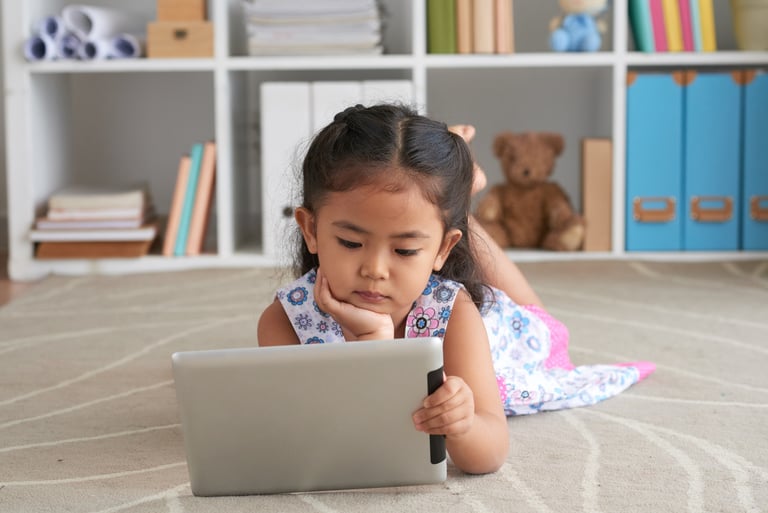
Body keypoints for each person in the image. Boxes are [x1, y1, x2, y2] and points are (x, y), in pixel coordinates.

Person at [258, 104, 654, 475]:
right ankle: (455, 200)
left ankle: (460, 204)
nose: (374, 270)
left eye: (405, 250)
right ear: (310, 229)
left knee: (546, 326)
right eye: (350, 243)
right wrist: (373, 339)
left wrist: (463, 425)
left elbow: (490, 453)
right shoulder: (285, 321)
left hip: (514, 339)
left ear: (442, 250)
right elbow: (328, 434)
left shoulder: (456, 312)